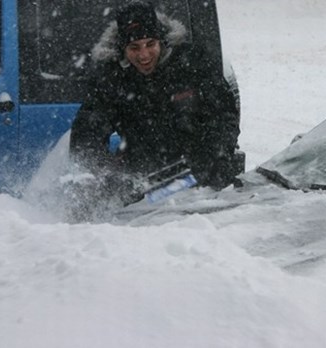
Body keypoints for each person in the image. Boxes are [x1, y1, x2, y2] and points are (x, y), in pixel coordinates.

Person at [68, 1, 242, 218]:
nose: (144, 55)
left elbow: (224, 113)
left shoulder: (192, 62)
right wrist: (96, 174)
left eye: (150, 44)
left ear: (162, 40)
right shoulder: (111, 78)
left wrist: (218, 154)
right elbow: (88, 130)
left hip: (202, 178)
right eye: (134, 48)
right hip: (145, 184)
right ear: (122, 49)